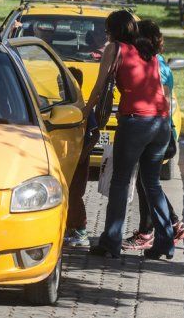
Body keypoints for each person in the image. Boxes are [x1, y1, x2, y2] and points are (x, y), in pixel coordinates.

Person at [83, 10, 175, 260]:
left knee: (121, 181)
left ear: (112, 30)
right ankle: (165, 242)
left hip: (135, 123)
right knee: (152, 183)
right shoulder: (147, 50)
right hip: (160, 122)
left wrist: (85, 112)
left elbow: (99, 85)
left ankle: (111, 242)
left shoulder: (115, 48)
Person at [122, 20, 184, 251]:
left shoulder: (154, 65)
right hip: (159, 129)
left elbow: (163, 102)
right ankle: (164, 227)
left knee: (148, 184)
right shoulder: (157, 62)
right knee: (147, 182)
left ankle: (158, 229)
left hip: (152, 129)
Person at [64, 67, 100, 247]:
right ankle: (70, 228)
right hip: (68, 158)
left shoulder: (83, 108)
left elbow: (95, 135)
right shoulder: (65, 106)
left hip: (79, 160)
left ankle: (81, 230)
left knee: (75, 195)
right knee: (67, 194)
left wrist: (84, 153)